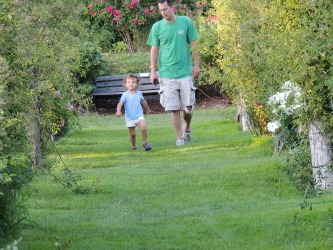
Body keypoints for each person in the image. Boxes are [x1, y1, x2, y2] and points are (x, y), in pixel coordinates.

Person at [147, 0, 200, 146]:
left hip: (185, 72)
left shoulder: (185, 22)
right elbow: (154, 49)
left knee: (188, 108)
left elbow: (194, 44)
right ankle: (179, 137)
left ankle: (187, 127)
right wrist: (153, 71)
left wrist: (196, 65)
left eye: (165, 9)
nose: (163, 13)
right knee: (173, 108)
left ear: (172, 8)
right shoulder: (157, 27)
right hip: (167, 74)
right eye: (161, 10)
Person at [116, 74, 152, 151]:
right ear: (125, 84)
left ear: (137, 84)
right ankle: (134, 146)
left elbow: (143, 102)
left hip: (139, 115)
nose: (131, 84)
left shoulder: (139, 93)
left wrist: (148, 110)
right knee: (133, 134)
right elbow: (120, 104)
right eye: (129, 82)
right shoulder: (125, 95)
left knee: (143, 127)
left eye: (133, 82)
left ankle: (145, 142)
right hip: (129, 118)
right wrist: (118, 111)